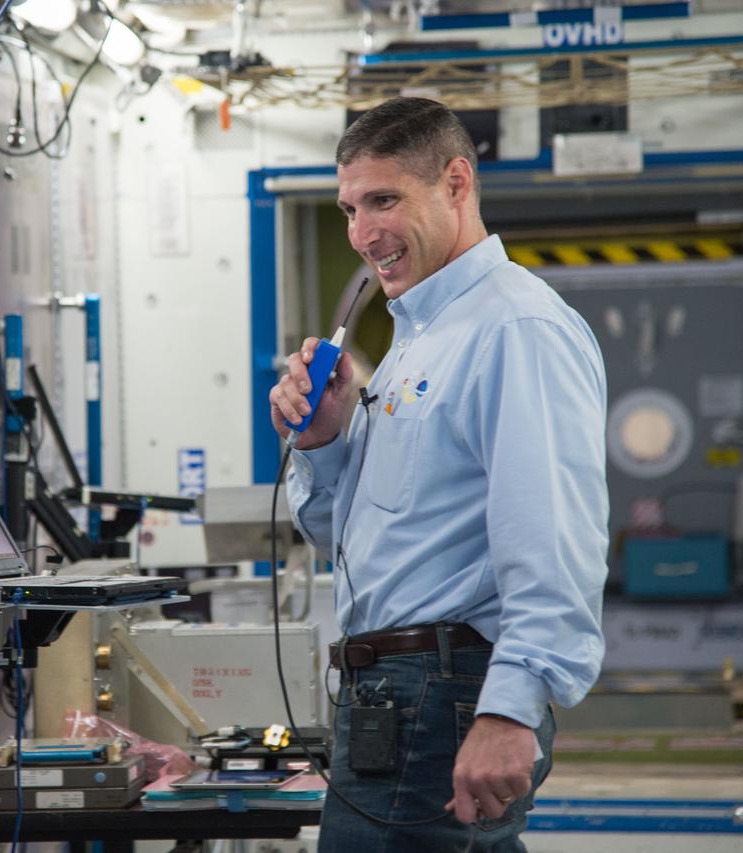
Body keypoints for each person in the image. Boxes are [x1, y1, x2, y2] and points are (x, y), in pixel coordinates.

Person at [269, 97, 609, 851]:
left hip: (442, 696)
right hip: (399, 699)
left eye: (384, 200)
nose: (362, 233)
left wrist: (510, 709)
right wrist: (326, 441)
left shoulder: (514, 328)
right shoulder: (418, 338)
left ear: (456, 183)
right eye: (350, 207)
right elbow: (346, 541)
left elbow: (555, 540)